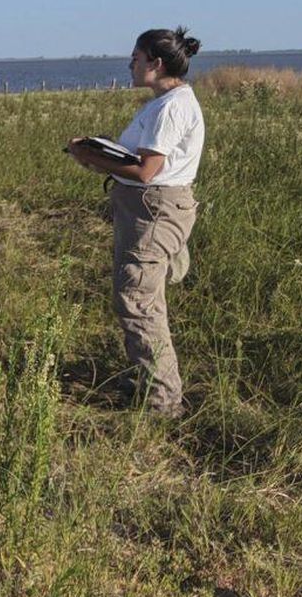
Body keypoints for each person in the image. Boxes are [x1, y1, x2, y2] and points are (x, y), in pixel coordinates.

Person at [66, 27, 205, 416]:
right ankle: (149, 377)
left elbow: (146, 171)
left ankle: (162, 401)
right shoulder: (163, 102)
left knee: (137, 299)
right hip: (147, 209)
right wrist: (101, 150)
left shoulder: (171, 107)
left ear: (156, 64)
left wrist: (91, 158)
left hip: (154, 210)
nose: (130, 64)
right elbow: (141, 160)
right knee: (143, 295)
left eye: (136, 58)